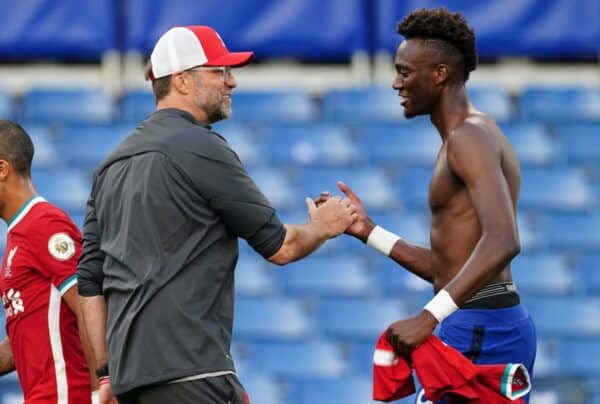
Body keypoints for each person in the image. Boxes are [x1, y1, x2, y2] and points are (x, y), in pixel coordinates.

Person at [76, 25, 356, 404]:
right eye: (219, 71)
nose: (232, 82)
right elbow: (281, 247)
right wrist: (322, 227)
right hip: (193, 372)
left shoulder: (109, 166)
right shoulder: (201, 147)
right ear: (182, 81)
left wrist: (106, 375)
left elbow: (90, 283)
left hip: (129, 383)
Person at [319, 8, 536, 403]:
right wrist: (369, 232)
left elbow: (504, 240)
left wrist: (429, 316)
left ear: (439, 74)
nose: (395, 83)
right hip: (483, 320)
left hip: (480, 327)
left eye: (404, 72)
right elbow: (449, 269)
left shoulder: (468, 137)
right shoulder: (472, 134)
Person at [0, 120, 98, 403]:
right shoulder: (19, 235)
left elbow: (89, 307)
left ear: (3, 169)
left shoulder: (44, 225)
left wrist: (99, 391)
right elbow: (27, 340)